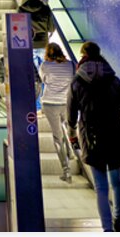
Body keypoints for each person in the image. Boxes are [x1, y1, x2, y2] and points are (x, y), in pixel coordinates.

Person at [67, 41, 120, 232]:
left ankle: (107, 229)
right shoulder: (114, 80)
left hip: (91, 138)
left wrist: (72, 134)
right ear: (100, 55)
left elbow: (71, 114)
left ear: (83, 56)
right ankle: (117, 217)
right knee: (116, 182)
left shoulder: (77, 81)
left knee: (101, 187)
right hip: (116, 135)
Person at [39, 42, 75, 183]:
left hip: (50, 103)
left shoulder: (45, 65)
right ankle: (71, 150)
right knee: (65, 127)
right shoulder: (71, 65)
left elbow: (44, 81)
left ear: (48, 53)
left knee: (57, 137)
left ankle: (66, 171)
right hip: (66, 102)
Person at [18, 0, 55, 110]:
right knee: (45, 75)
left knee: (33, 77)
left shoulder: (21, 9)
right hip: (44, 45)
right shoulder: (45, 8)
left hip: (29, 46)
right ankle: (46, 103)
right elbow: (51, 28)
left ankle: (36, 105)